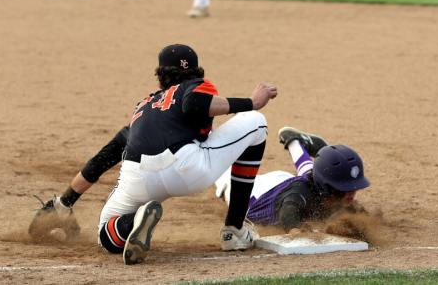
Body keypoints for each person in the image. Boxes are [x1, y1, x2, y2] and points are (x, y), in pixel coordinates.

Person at [31, 44, 277, 265]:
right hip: (185, 167)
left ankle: (131, 223)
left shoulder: (144, 106)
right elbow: (194, 104)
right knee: (256, 122)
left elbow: (102, 160)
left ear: (160, 75)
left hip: (137, 176)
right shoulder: (193, 86)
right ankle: (234, 230)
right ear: (196, 71)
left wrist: (65, 202)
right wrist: (251, 102)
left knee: (105, 235)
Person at [215, 127, 370, 232]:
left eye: (354, 186)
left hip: (286, 181)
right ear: (328, 187)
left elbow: (362, 218)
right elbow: (290, 218)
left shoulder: (322, 185)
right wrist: (298, 231)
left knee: (309, 171)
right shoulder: (296, 197)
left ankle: (294, 140)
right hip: (253, 194)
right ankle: (207, 141)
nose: (352, 192)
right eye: (344, 187)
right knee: (222, 175)